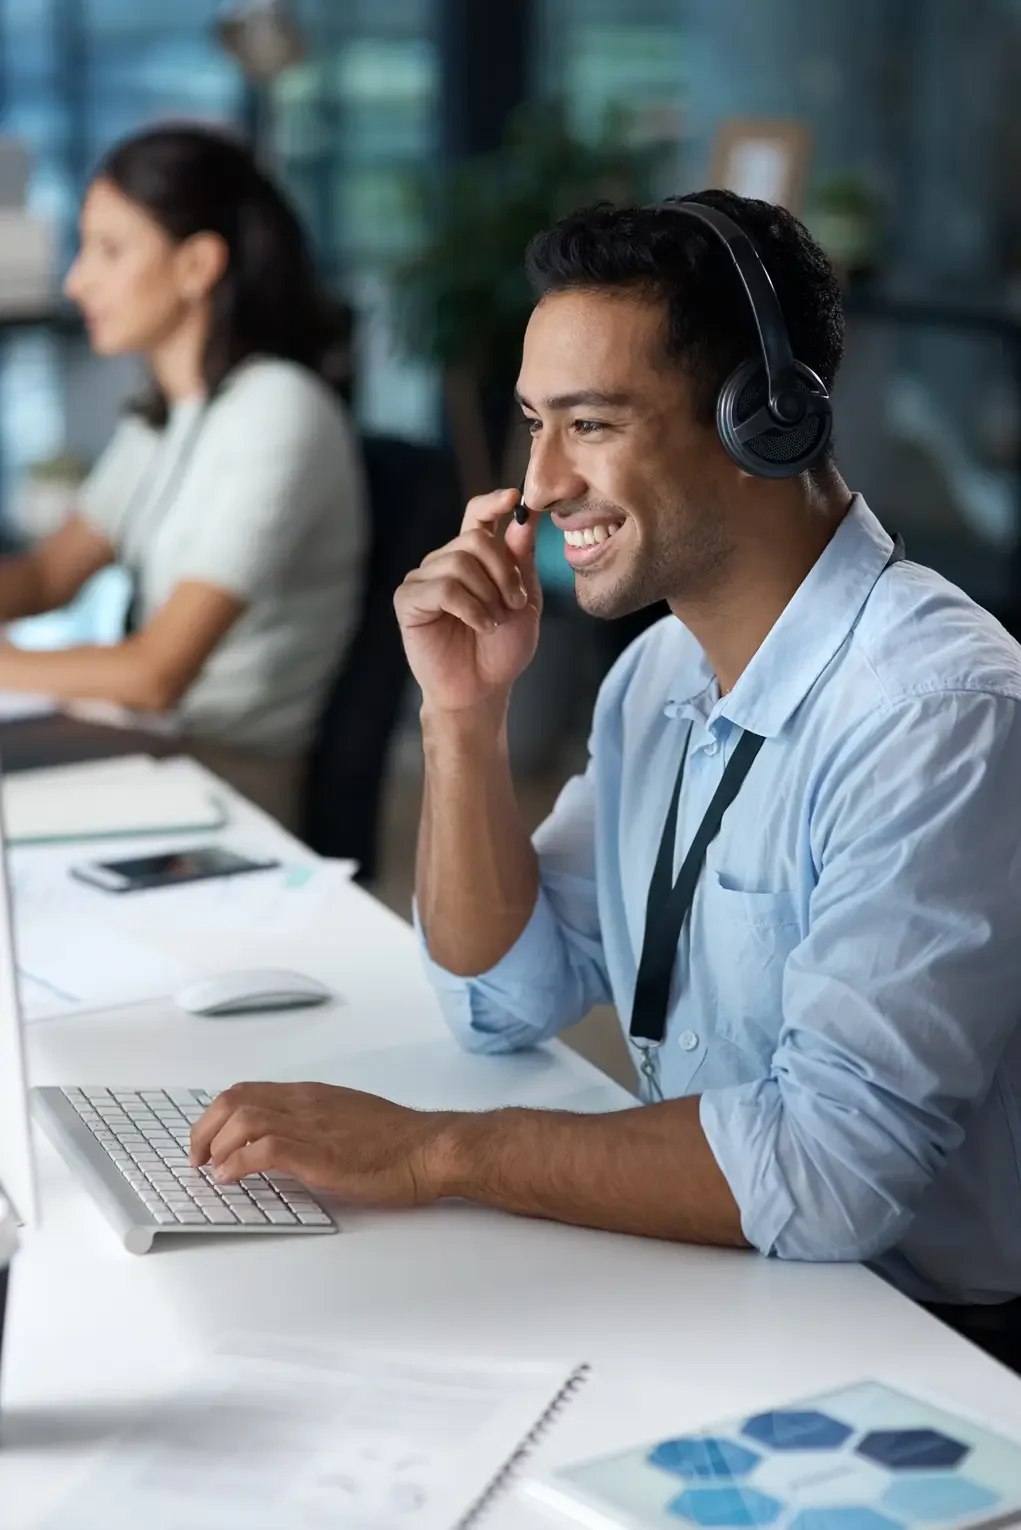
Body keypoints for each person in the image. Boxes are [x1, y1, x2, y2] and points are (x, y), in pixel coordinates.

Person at [191, 191, 1021, 1369]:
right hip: (733, 1282)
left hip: (925, 1348)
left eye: (588, 424)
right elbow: (505, 995)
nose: (536, 486)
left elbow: (832, 1175)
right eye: (533, 422)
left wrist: (436, 1154)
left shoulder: (931, 714)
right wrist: (463, 717)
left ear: (762, 424)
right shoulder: (662, 678)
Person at [0, 125, 366, 828]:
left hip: (229, 779)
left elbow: (153, 673)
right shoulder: (164, 418)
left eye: (109, 250)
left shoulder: (279, 410)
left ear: (197, 265)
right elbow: (49, 576)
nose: (78, 280)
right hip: (145, 748)